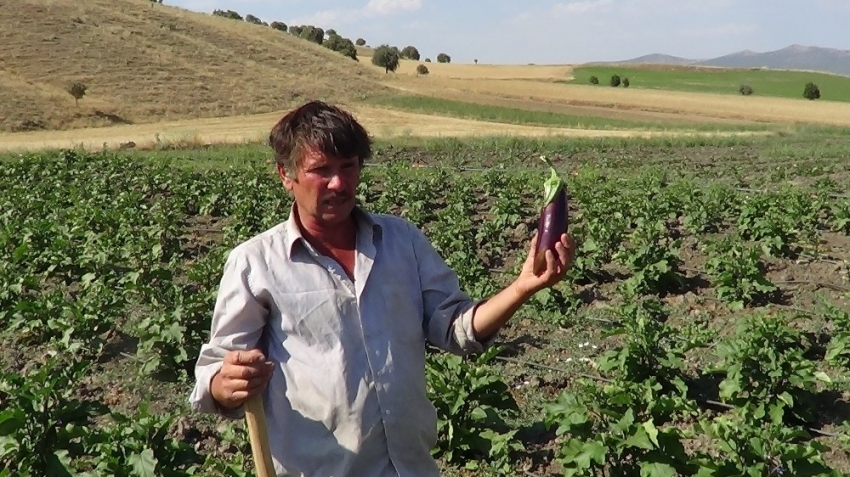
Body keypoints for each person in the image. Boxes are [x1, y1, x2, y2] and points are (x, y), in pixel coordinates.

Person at [189, 100, 575, 477]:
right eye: (320, 170)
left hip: (410, 466)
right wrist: (225, 383)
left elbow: (456, 328)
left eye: (348, 166)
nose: (338, 183)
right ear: (285, 175)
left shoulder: (402, 241)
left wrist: (523, 287)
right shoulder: (255, 263)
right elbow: (216, 372)